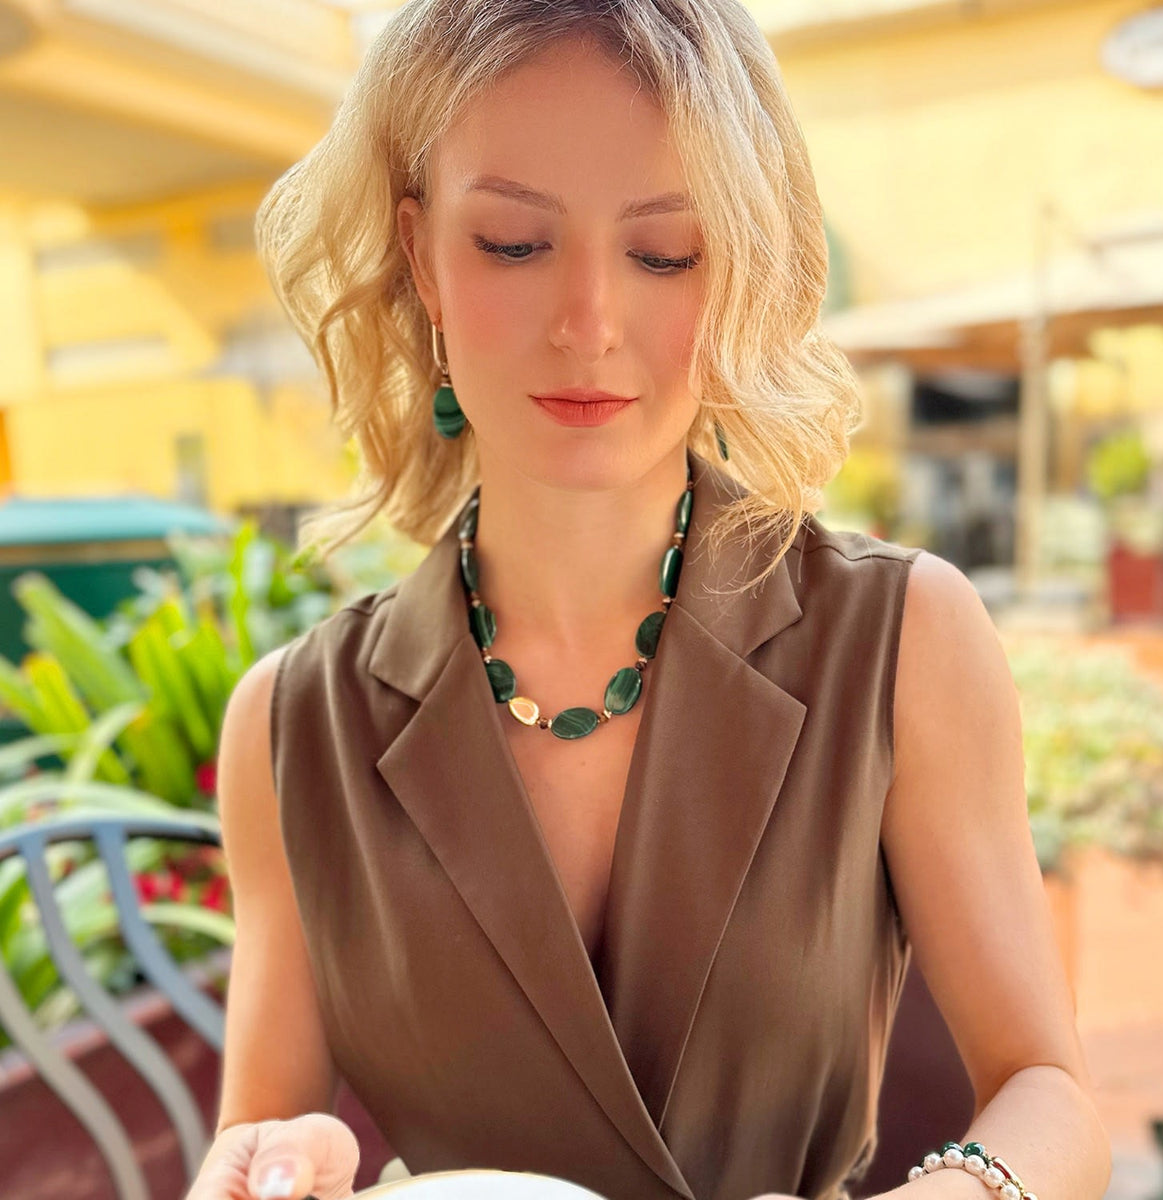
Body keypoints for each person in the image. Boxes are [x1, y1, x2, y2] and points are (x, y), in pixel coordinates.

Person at [186, 2, 1112, 1199]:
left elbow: (1052, 1092)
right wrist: (274, 1165)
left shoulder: (901, 637)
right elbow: (257, 1137)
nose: (589, 324)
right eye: (514, 243)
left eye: (665, 253)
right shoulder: (291, 727)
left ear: (738, 267)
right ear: (420, 257)